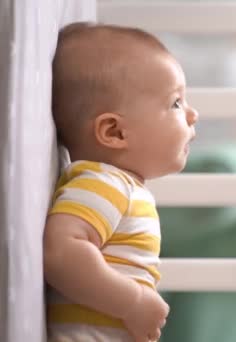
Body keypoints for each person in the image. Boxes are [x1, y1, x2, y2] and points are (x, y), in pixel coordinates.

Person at [43, 22, 198, 342]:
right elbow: (61, 251)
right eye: (176, 103)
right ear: (114, 132)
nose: (192, 114)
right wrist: (133, 302)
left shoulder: (118, 187)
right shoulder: (104, 184)